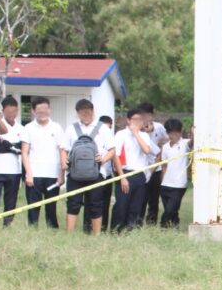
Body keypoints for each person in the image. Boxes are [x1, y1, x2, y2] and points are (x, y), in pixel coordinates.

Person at [63, 98, 114, 234]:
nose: (86, 115)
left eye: (88, 112)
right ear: (77, 113)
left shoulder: (103, 128)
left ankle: (96, 235)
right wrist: (64, 163)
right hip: (74, 173)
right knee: (73, 203)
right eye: (82, 113)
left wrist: (102, 159)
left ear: (93, 111)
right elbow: (63, 148)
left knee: (96, 204)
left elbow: (112, 150)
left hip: (96, 173)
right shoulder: (71, 128)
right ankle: (69, 234)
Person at [20, 96, 67, 228]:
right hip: (35, 174)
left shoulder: (57, 127)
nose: (43, 114)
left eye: (45, 110)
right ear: (34, 111)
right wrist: (28, 173)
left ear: (50, 110)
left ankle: (52, 231)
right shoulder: (28, 128)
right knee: (33, 206)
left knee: (51, 207)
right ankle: (32, 230)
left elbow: (62, 150)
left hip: (53, 174)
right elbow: (24, 152)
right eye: (39, 111)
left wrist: (62, 173)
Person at [111, 107, 159, 231]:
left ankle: (131, 230)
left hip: (140, 174)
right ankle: (116, 230)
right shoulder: (120, 134)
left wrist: (136, 133)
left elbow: (147, 150)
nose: (138, 122)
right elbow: (115, 156)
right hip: (125, 173)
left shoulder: (144, 135)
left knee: (136, 205)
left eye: (140, 120)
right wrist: (122, 177)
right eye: (135, 119)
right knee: (121, 204)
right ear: (128, 120)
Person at [0, 95, 23, 228]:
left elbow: (22, 149)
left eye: (14, 112)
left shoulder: (21, 128)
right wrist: (13, 146)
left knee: (11, 201)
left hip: (14, 170)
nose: (11, 115)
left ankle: (7, 225)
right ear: (3, 111)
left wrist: (8, 144)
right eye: (8, 112)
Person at [139, 102, 168, 226]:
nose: (144, 118)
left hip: (156, 169)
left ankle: (151, 223)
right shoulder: (137, 129)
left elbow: (168, 140)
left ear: (151, 115)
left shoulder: (159, 127)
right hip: (141, 168)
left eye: (146, 115)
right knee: (140, 198)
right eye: (142, 116)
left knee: (154, 199)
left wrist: (163, 144)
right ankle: (137, 222)